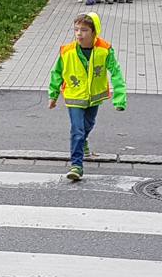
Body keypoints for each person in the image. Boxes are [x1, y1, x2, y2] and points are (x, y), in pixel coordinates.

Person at [48, 12, 127, 182]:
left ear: (94, 32)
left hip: (94, 97)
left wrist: (119, 98)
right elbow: (57, 73)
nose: (79, 34)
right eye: (76, 30)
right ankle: (76, 165)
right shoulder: (67, 51)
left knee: (88, 124)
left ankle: (83, 141)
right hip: (74, 97)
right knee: (77, 129)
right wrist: (53, 95)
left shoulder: (104, 50)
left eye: (83, 30)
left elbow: (116, 73)